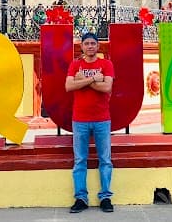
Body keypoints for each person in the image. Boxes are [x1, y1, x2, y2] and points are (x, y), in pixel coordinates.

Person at [65, 32, 115, 213]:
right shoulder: (75, 64)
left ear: (98, 46)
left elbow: (107, 87)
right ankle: (81, 198)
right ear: (82, 46)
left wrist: (83, 80)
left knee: (105, 160)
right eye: (87, 43)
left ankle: (106, 197)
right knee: (80, 160)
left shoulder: (106, 64)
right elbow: (69, 86)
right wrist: (95, 79)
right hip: (80, 120)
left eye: (93, 43)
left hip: (102, 119)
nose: (90, 46)